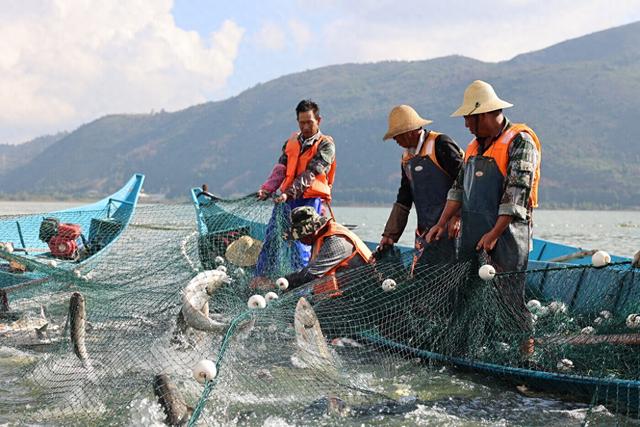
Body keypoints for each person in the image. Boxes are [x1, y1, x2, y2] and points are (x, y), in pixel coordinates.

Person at [426, 80, 541, 351]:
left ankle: (527, 354)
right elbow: (457, 190)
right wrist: (441, 224)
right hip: (474, 233)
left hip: (508, 235)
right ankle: (474, 348)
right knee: (466, 293)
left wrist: (494, 234)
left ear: (486, 114)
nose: (466, 124)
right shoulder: (473, 147)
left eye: (469, 118)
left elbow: (516, 195)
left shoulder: (520, 141)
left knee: (509, 297)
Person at [379, 105, 464, 269]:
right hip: (426, 233)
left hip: (453, 231)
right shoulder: (406, 158)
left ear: (410, 131)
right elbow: (404, 197)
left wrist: (457, 216)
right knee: (424, 277)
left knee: (451, 280)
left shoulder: (441, 144)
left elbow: (464, 181)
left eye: (397, 136)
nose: (395, 140)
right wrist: (390, 235)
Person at [257, 100, 336, 267]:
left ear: (319, 120)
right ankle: (261, 277)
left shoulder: (326, 145)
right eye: (302, 123)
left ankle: (301, 285)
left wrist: (288, 193)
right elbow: (280, 169)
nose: (306, 127)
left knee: (301, 245)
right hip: (286, 200)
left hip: (308, 202)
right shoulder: (290, 143)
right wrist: (266, 189)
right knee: (272, 239)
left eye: (310, 122)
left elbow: (310, 175)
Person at [283, 206, 373, 297]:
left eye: (300, 237)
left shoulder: (335, 241)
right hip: (347, 291)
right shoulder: (320, 237)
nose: (299, 240)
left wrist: (285, 281)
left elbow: (311, 274)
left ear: (311, 232)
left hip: (365, 292)